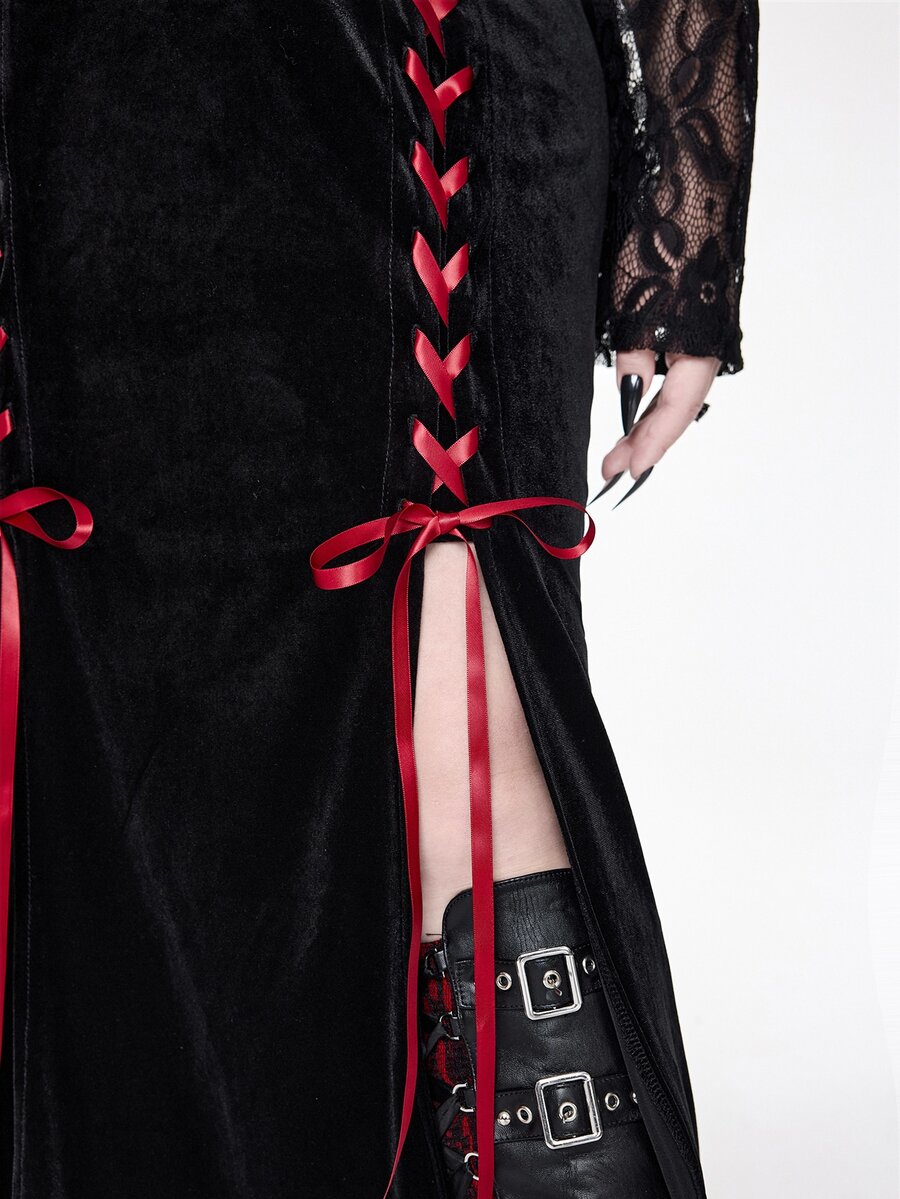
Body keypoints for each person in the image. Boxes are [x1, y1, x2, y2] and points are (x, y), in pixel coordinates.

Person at [0, 1, 758, 1196]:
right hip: (85, 125)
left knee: (460, 725)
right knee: (116, 800)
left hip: (430, 99)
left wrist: (687, 243)